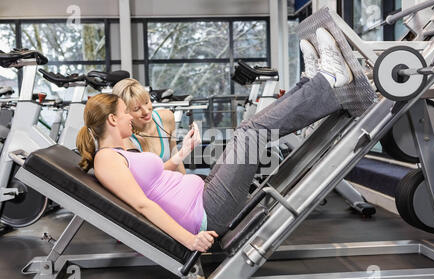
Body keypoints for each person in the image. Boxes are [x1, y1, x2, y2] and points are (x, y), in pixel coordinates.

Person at [76, 28, 353, 253]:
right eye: (126, 113)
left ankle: (311, 81)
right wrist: (189, 240)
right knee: (251, 132)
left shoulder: (121, 150)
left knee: (246, 128)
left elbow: (156, 178)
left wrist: (182, 152)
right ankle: (327, 79)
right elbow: (142, 205)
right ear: (112, 120)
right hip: (207, 212)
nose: (131, 118)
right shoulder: (107, 159)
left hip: (205, 195)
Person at [112, 78, 186, 174]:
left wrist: (185, 181)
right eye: (136, 109)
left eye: (147, 102)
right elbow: (146, 176)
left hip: (172, 183)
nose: (146, 111)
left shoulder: (167, 117)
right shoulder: (125, 138)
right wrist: (186, 149)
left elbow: (176, 157)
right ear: (124, 112)